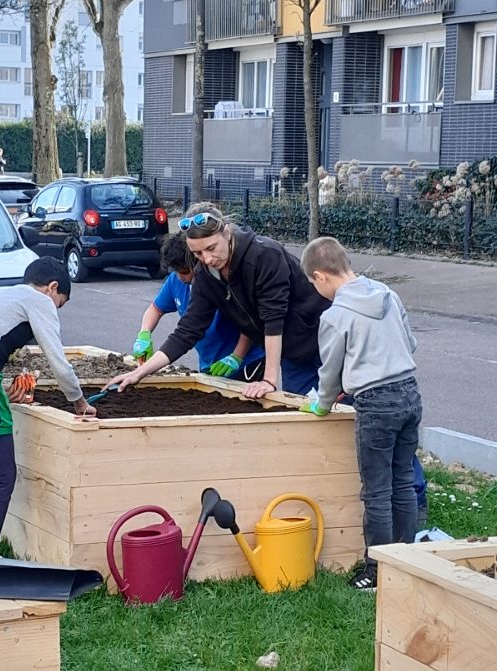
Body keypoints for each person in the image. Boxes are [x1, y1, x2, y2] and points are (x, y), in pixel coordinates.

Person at [0, 257, 96, 550]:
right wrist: (79, 402)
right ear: (52, 288)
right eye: (61, 303)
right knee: (1, 473)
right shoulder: (40, 300)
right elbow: (58, 362)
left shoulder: (3, 293)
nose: (56, 309)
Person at [298, 237, 423, 590]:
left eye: (312, 283)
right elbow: (410, 344)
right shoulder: (388, 294)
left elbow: (330, 371)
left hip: (375, 403)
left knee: (377, 491)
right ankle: (409, 560)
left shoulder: (335, 315)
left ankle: (376, 570)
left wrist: (322, 404)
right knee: (403, 480)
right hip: (410, 393)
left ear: (321, 276)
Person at [109, 202, 330, 398]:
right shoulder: (205, 276)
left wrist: (269, 380)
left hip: (326, 341)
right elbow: (188, 331)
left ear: (226, 233)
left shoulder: (264, 255)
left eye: (211, 248)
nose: (207, 259)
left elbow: (273, 320)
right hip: (292, 355)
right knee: (302, 413)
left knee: (347, 414)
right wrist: (140, 372)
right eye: (197, 254)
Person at [133, 232, 265, 379]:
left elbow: (249, 320)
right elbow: (156, 309)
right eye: (175, 271)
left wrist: (236, 357)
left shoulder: (219, 283)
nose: (179, 277)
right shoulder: (175, 282)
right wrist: (144, 335)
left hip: (246, 361)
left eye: (184, 271)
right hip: (209, 363)